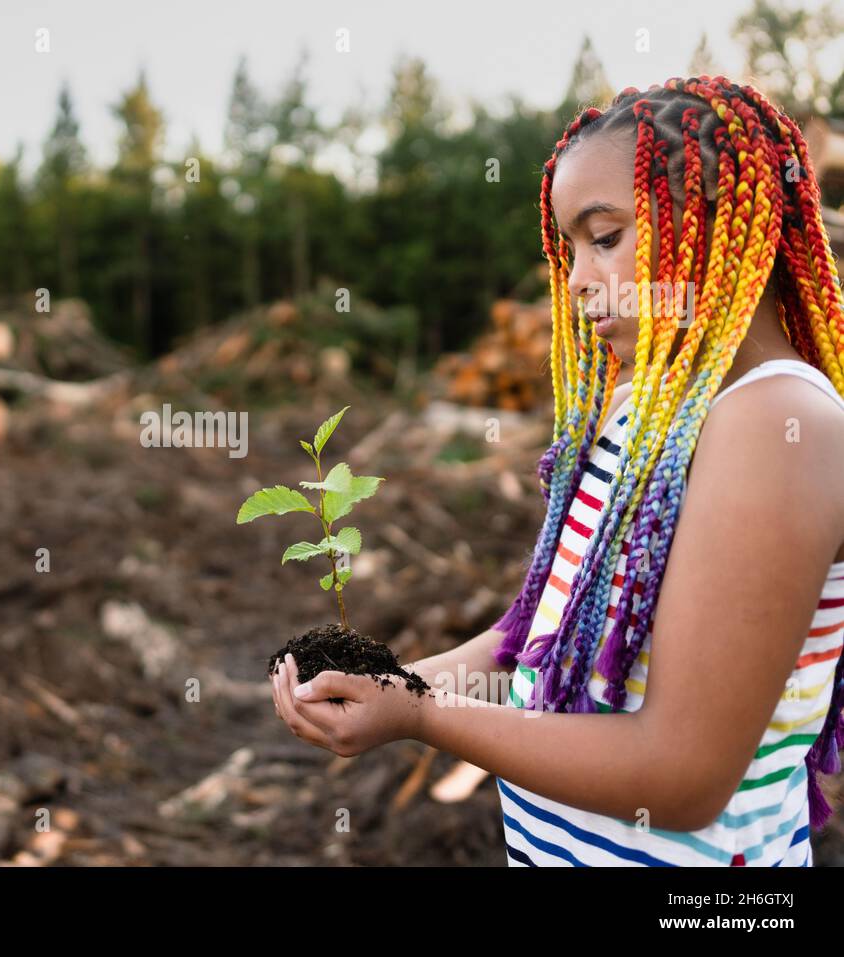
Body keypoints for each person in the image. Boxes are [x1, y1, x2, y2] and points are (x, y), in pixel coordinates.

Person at [269, 75, 844, 866]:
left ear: (713, 223)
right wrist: (386, 682)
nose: (575, 280)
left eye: (605, 236)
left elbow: (683, 774)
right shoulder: (644, 411)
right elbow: (530, 642)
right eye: (569, 247)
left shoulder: (779, 428)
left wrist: (420, 716)